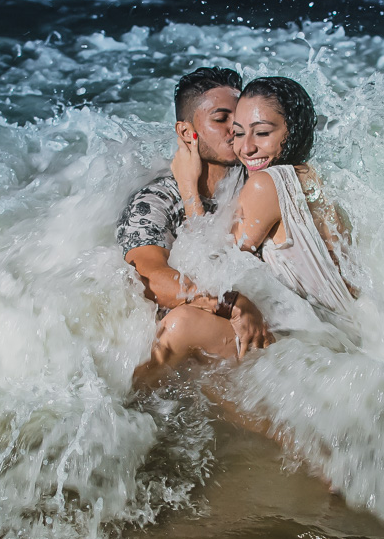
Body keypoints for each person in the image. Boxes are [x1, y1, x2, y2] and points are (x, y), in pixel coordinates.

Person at [151, 75, 355, 366]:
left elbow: (211, 270)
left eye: (261, 133)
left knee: (181, 323)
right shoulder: (311, 176)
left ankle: (127, 404)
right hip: (346, 340)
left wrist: (188, 189)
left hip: (319, 354)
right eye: (238, 132)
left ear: (292, 130)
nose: (245, 148)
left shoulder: (265, 184)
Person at [117, 67, 273, 384]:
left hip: (269, 331)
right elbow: (149, 278)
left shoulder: (261, 184)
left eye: (241, 116)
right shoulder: (156, 200)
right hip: (204, 340)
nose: (237, 127)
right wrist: (229, 302)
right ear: (188, 133)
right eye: (221, 118)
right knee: (182, 323)